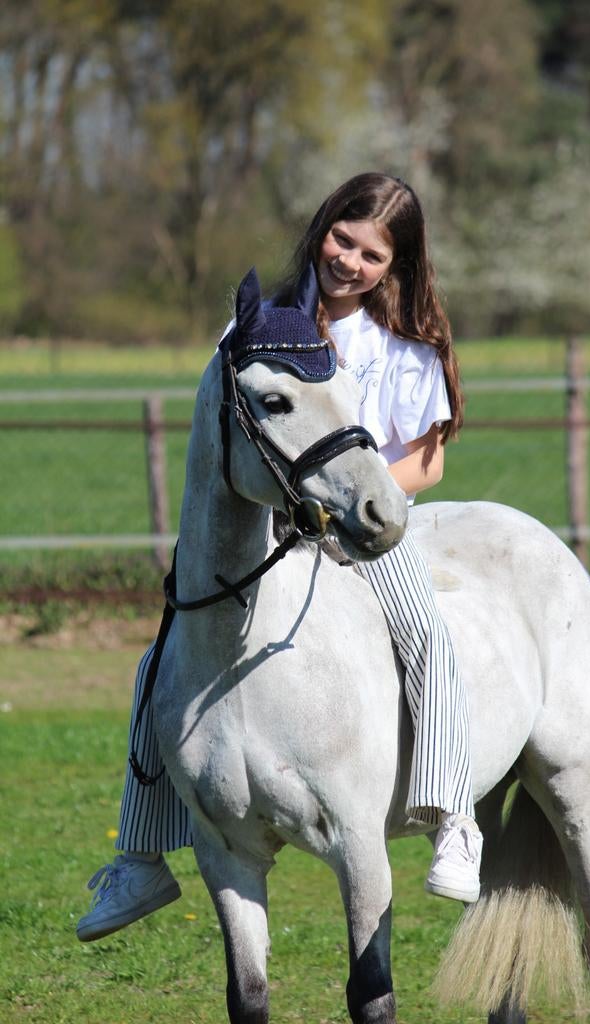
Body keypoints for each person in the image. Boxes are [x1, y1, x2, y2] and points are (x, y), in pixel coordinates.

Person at [76, 172, 482, 943]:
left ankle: (454, 817)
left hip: (361, 527)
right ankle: (140, 857)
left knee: (426, 633)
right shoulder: (261, 325)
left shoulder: (402, 350)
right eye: (343, 239)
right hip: (268, 526)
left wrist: (352, 503)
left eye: (371, 254)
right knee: (160, 658)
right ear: (322, 227)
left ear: (393, 268)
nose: (350, 261)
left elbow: (427, 464)